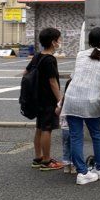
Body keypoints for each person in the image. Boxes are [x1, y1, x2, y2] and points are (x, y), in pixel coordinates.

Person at [61, 27, 100, 185]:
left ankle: (82, 172)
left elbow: (74, 76)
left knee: (76, 136)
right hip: (92, 101)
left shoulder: (80, 55)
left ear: (89, 41)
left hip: (73, 99)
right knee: (96, 134)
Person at [27, 27, 64, 171]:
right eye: (59, 39)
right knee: (47, 129)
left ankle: (38, 158)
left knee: (39, 128)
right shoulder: (50, 59)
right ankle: (47, 161)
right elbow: (52, 81)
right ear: (53, 42)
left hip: (37, 98)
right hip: (48, 99)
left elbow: (26, 72)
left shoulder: (37, 55)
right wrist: (60, 100)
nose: (60, 42)